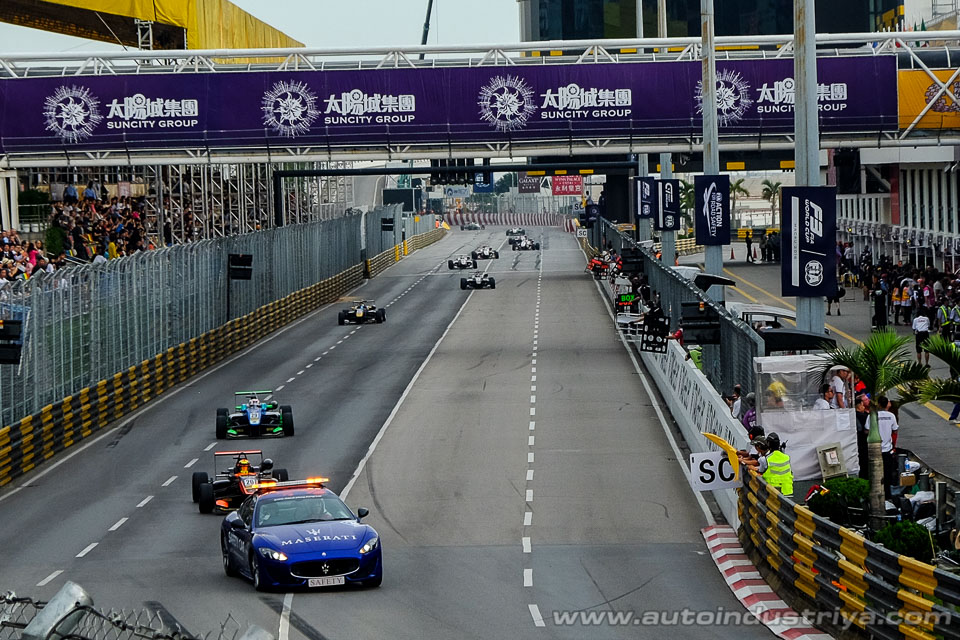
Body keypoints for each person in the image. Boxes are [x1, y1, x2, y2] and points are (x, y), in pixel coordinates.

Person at [876, 395, 899, 497]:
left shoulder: (873, 415)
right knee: (887, 473)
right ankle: (888, 495)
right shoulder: (891, 416)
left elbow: (866, 430)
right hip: (887, 449)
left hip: (875, 450)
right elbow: (895, 430)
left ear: (879, 404)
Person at [762, 432, 794, 498]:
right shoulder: (786, 457)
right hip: (788, 492)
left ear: (768, 444)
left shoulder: (766, 459)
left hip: (772, 493)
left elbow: (760, 471)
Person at [854, 393, 870, 480]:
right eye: (862, 405)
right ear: (859, 406)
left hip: (857, 443)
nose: (864, 407)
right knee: (864, 463)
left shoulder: (853, 415)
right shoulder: (865, 416)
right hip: (863, 443)